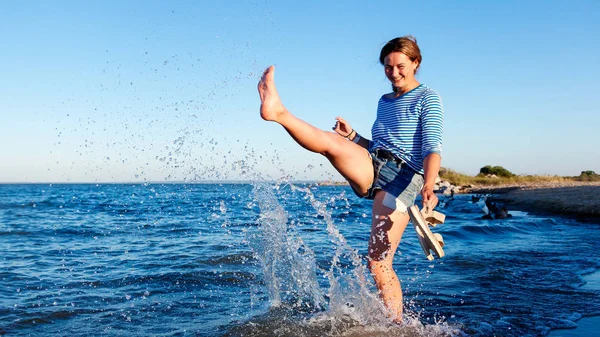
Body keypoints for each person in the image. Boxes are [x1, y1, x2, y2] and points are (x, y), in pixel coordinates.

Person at [257, 36, 443, 322]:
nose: (394, 73)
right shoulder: (384, 101)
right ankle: (278, 113)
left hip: (404, 178)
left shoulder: (428, 97)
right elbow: (381, 146)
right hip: (375, 163)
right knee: (332, 143)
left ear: (416, 63)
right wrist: (354, 137)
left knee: (378, 264)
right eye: (387, 67)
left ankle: (396, 325)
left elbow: (431, 148)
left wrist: (429, 185)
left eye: (400, 66)